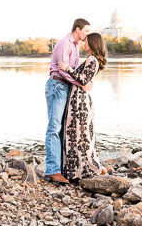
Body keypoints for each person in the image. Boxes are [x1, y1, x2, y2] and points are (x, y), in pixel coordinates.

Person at [45, 18, 92, 184]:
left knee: (62, 128)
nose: (88, 34)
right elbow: (63, 70)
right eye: (86, 30)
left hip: (64, 87)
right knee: (54, 128)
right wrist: (82, 84)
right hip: (57, 85)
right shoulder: (65, 44)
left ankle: (61, 168)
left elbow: (72, 70)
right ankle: (52, 170)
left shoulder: (75, 46)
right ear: (77, 30)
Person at [58, 32, 108, 181]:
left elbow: (84, 80)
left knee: (81, 134)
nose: (84, 43)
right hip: (78, 99)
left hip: (80, 102)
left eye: (86, 42)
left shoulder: (92, 59)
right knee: (77, 133)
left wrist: (68, 69)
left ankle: (83, 169)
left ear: (93, 43)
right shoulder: (91, 59)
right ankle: (75, 170)